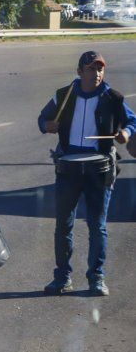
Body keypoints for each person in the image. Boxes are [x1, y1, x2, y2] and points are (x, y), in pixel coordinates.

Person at [38, 51, 136, 296]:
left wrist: (126, 133)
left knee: (97, 225)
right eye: (92, 69)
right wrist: (46, 126)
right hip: (68, 168)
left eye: (100, 69)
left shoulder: (112, 97)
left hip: (99, 168)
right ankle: (62, 278)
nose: (97, 73)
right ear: (80, 71)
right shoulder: (63, 95)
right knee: (63, 225)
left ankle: (96, 278)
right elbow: (43, 118)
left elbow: (133, 121)